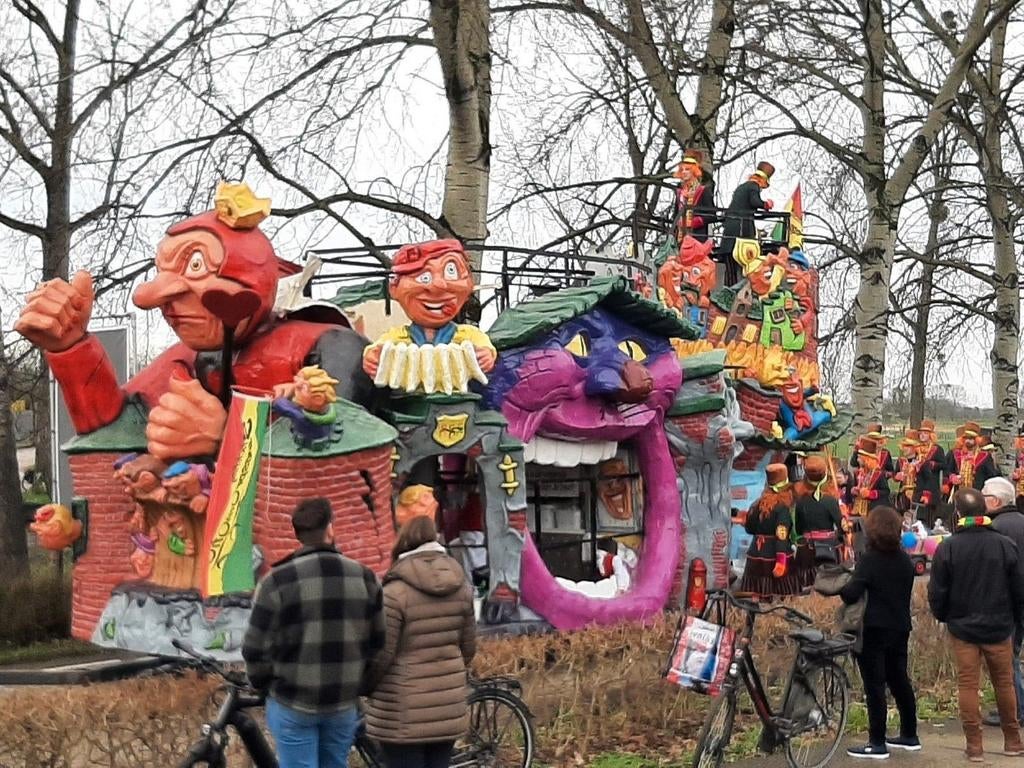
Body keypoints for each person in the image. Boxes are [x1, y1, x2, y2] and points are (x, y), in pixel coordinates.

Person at [242, 497, 385, 768]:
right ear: (330, 529)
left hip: (293, 700)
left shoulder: (275, 582)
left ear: (297, 535)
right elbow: (377, 644)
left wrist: (265, 684)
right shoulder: (366, 578)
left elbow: (254, 647)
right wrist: (357, 684)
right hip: (342, 701)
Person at [364, 516, 477, 768]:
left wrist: (365, 685)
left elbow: (382, 654)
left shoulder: (394, 593)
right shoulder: (462, 587)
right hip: (447, 706)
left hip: (402, 710)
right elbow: (468, 648)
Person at [928, 488, 1024, 761]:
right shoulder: (1005, 545)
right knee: (1004, 684)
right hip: (999, 625)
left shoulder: (948, 547)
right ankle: (1013, 741)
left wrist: (944, 616)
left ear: (957, 513)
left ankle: (974, 747)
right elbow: (1019, 590)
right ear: (985, 509)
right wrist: (1016, 620)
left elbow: (937, 592)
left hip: (963, 627)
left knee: (968, 685)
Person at [840, 506, 918, 759]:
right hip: (900, 626)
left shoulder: (869, 560)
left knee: (874, 685)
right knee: (899, 680)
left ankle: (877, 742)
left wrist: (844, 586)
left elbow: (851, 593)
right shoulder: (905, 560)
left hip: (873, 628)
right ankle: (909, 734)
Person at [982, 477, 1024, 729]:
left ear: (995, 501)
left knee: (1007, 659)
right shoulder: (1021, 521)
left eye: (984, 496)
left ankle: (1015, 708)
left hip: (1008, 602)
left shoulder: (996, 528)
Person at [740, 463, 799, 596]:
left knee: (755, 596)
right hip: (773, 557)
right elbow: (781, 535)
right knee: (777, 597)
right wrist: (781, 561)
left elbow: (749, 528)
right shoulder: (782, 508)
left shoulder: (756, 504)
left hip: (755, 555)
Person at [718, 161, 775, 285]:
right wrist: (765, 204)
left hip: (730, 231)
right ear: (762, 180)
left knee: (730, 268)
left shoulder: (741, 187)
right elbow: (754, 202)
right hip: (741, 232)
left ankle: (729, 287)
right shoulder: (753, 186)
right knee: (744, 262)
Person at [792, 455, 844, 587]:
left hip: (806, 550)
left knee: (806, 586)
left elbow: (798, 528)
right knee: (828, 584)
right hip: (828, 549)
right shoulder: (830, 501)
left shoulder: (801, 501)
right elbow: (841, 526)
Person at [672, 148, 717, 243]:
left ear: (694, 171)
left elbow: (712, 216)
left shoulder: (703, 190)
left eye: (687, 169)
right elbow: (675, 216)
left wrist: (694, 222)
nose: (684, 172)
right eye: (682, 169)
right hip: (680, 239)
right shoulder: (679, 192)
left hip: (697, 239)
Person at [944, 421, 998, 494]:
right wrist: (952, 477)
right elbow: (946, 470)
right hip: (958, 493)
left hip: (978, 494)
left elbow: (991, 476)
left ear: (976, 440)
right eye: (966, 438)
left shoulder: (984, 456)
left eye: (971, 438)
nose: (968, 441)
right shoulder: (954, 453)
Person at [915, 420, 946, 526]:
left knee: (931, 511)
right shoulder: (916, 449)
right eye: (921, 433)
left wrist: (932, 464)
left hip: (932, 482)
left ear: (931, 435)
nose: (922, 435)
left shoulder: (937, 449)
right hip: (919, 483)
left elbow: (943, 464)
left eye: (925, 433)